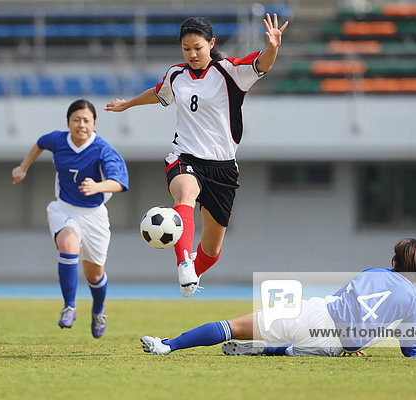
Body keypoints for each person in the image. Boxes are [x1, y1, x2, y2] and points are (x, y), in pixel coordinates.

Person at [105, 14, 288, 297]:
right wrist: (127, 104)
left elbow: (261, 63)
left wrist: (273, 47)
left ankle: (192, 268)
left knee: (212, 251)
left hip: (223, 167)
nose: (192, 54)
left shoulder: (230, 71)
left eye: (198, 48)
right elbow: (158, 93)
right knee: (184, 196)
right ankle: (183, 264)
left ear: (211, 43)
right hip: (185, 157)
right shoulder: (175, 75)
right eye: (186, 48)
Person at [140, 239, 416, 358]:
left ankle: (168, 345)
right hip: (333, 346)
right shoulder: (414, 302)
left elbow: (343, 300)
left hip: (314, 315)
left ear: (396, 260)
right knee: (298, 351)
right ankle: (268, 351)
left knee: (232, 326)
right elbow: (413, 349)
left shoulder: (373, 273)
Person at [12, 99, 129, 338]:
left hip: (94, 216)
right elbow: (40, 143)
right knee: (68, 246)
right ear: (68, 122)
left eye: (86, 120)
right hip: (64, 208)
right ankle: (69, 307)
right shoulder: (58, 140)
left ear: (94, 123)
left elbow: (119, 182)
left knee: (94, 275)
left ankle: (98, 309)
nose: (81, 125)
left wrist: (98, 186)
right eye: (76, 120)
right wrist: (23, 167)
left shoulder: (103, 149)